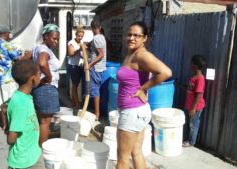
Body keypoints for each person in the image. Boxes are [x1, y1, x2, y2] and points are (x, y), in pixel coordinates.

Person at [116, 22, 172, 169]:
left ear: (144, 38)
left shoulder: (142, 55)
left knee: (122, 157)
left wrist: (143, 88)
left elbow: (166, 72)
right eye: (129, 34)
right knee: (136, 152)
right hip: (137, 110)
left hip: (132, 112)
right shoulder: (131, 53)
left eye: (136, 35)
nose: (131, 38)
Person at [0, 25, 31, 119]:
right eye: (9, 34)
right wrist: (27, 54)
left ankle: (4, 125)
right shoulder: (7, 45)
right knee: (11, 102)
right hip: (7, 79)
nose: (10, 36)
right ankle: (12, 123)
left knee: (0, 103)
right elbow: (18, 58)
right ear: (6, 33)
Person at [5, 60, 41, 169]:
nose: (40, 77)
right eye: (39, 74)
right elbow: (11, 139)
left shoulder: (23, 97)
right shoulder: (21, 104)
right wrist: (9, 129)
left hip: (32, 154)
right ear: (33, 79)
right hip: (23, 161)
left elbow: (3, 107)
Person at [31, 23, 60, 146]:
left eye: (57, 39)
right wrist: (48, 77)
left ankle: (37, 145)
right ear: (46, 36)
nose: (56, 41)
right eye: (54, 38)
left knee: (40, 120)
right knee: (45, 122)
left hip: (39, 88)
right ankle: (43, 150)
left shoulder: (36, 48)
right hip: (47, 89)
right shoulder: (44, 50)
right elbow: (42, 63)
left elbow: (22, 59)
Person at [182, 55, 206, 147]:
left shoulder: (200, 78)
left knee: (193, 125)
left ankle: (191, 142)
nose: (189, 64)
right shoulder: (194, 77)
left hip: (195, 107)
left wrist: (193, 108)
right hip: (189, 105)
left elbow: (199, 94)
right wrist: (178, 85)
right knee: (188, 123)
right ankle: (187, 139)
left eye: (190, 63)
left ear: (194, 65)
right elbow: (190, 89)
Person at [86, 19, 107, 120]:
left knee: (95, 91)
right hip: (100, 67)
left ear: (92, 28)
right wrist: (89, 44)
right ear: (100, 27)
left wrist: (90, 64)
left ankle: (97, 114)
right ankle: (97, 112)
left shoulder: (96, 38)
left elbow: (101, 54)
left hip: (96, 67)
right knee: (96, 89)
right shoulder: (101, 37)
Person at [67, 26, 85, 110]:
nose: (80, 37)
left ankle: (74, 102)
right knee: (75, 85)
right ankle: (76, 103)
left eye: (81, 36)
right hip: (73, 66)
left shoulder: (81, 43)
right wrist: (79, 49)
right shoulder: (71, 42)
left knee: (76, 84)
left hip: (79, 66)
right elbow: (70, 54)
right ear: (76, 35)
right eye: (79, 36)